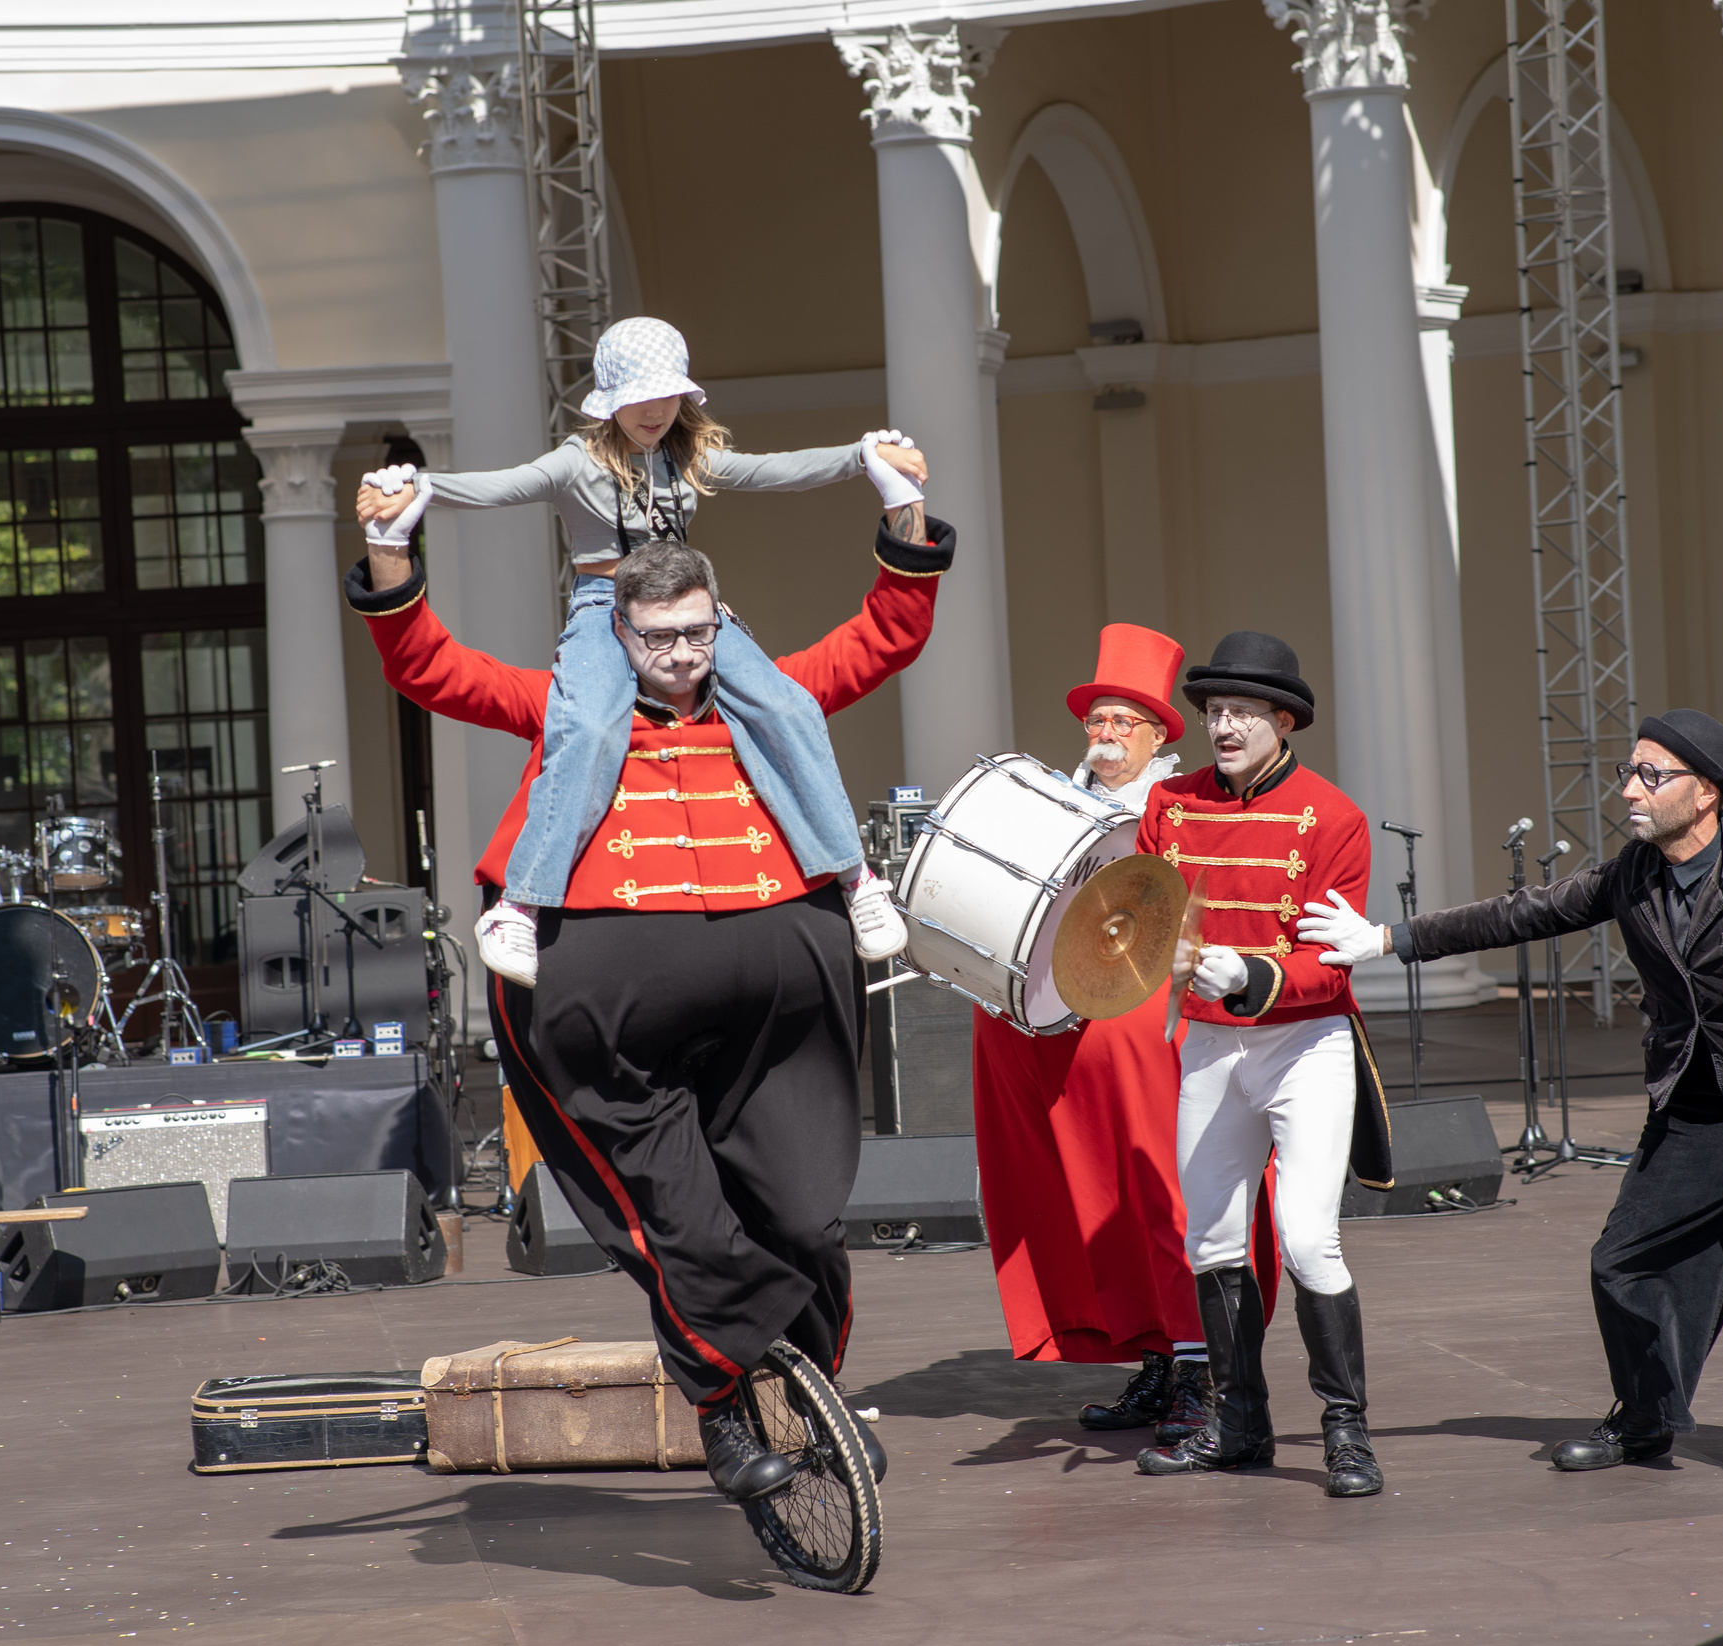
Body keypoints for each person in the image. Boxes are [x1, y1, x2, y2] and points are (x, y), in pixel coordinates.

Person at [346, 470, 953, 1501]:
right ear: (615, 634)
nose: (680, 655)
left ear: (720, 626)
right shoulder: (569, 703)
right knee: (683, 1219)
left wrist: (903, 523)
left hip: (771, 1008)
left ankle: (811, 1387)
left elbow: (882, 637)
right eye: (657, 638)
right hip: (614, 1011)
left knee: (803, 1218)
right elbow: (432, 671)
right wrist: (395, 561)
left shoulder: (769, 704)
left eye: (697, 634)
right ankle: (723, 1410)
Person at [1299, 709, 1723, 1500]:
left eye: (1653, 775)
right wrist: (1387, 940)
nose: (1630, 790)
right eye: (1631, 771)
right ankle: (1645, 1414)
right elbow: (1524, 912)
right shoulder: (1632, 874)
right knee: (1621, 1260)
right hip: (1695, 1111)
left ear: (1706, 792)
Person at [353, 316, 923, 988]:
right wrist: (418, 490)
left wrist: (863, 457)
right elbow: (503, 486)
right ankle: (520, 904)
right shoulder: (577, 461)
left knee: (789, 704)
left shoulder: (689, 458)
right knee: (587, 723)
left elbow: (776, 471)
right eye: (639, 396)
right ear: (609, 400)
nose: (654, 410)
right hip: (605, 610)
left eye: (667, 395)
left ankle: (856, 880)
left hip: (686, 605)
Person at [966, 626, 1279, 1447]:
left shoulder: (1177, 807)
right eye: (1096, 720)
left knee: (1158, 1192)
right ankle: (1155, 1350)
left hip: (1150, 1022)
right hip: (1063, 1021)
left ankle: (1200, 1365)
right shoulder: (1061, 802)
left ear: (1155, 737)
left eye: (1120, 723)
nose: (1103, 735)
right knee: (1089, 1194)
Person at [1127, 633, 1396, 1500]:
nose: (1224, 725)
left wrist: (1252, 974)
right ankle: (1238, 1420)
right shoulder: (1167, 804)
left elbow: (1334, 961)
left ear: (1285, 720)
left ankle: (1346, 1429)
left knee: (1307, 1236)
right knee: (1209, 1235)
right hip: (1206, 1041)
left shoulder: (1334, 816)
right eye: (1213, 712)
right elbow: (1147, 915)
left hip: (1303, 1042)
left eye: (1242, 711)